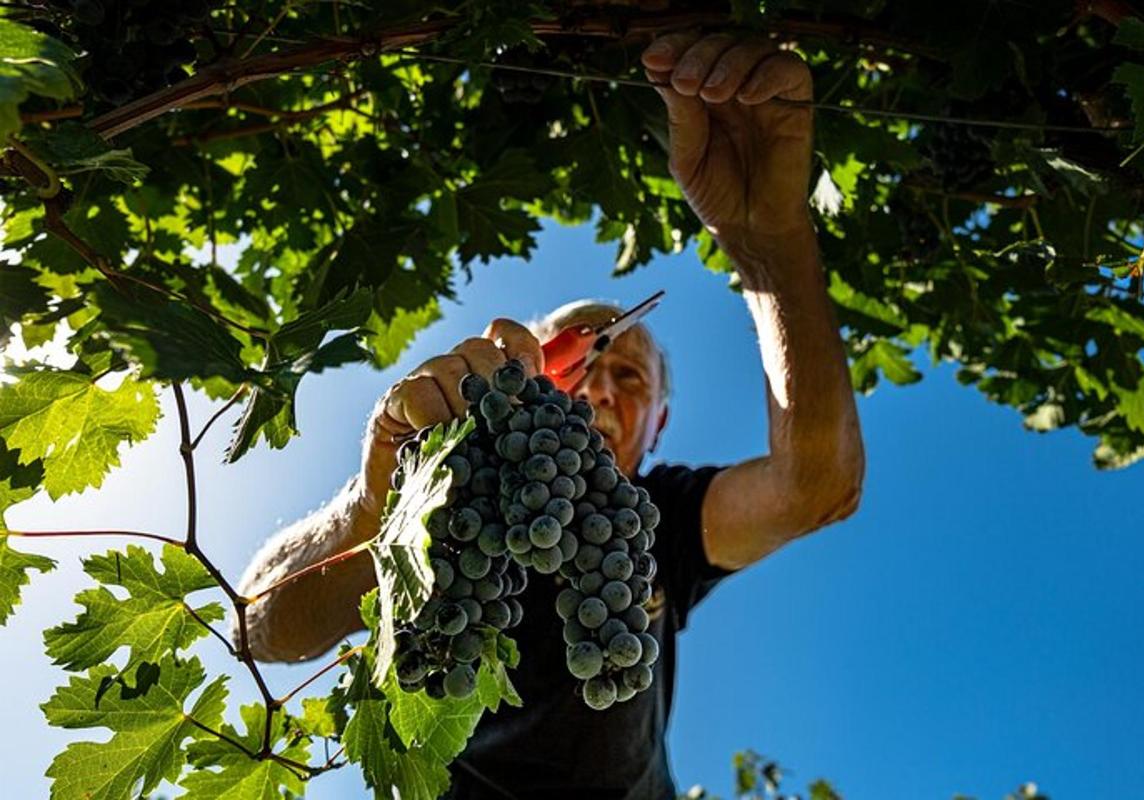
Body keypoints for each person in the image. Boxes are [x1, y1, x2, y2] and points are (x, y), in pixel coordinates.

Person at [233, 30, 866, 799]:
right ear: (525, 379)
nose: (600, 389)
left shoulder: (656, 517)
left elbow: (817, 484)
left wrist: (767, 243)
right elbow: (259, 627)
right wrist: (380, 499)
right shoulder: (447, 498)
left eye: (630, 376)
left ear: (658, 425)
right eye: (583, 361)